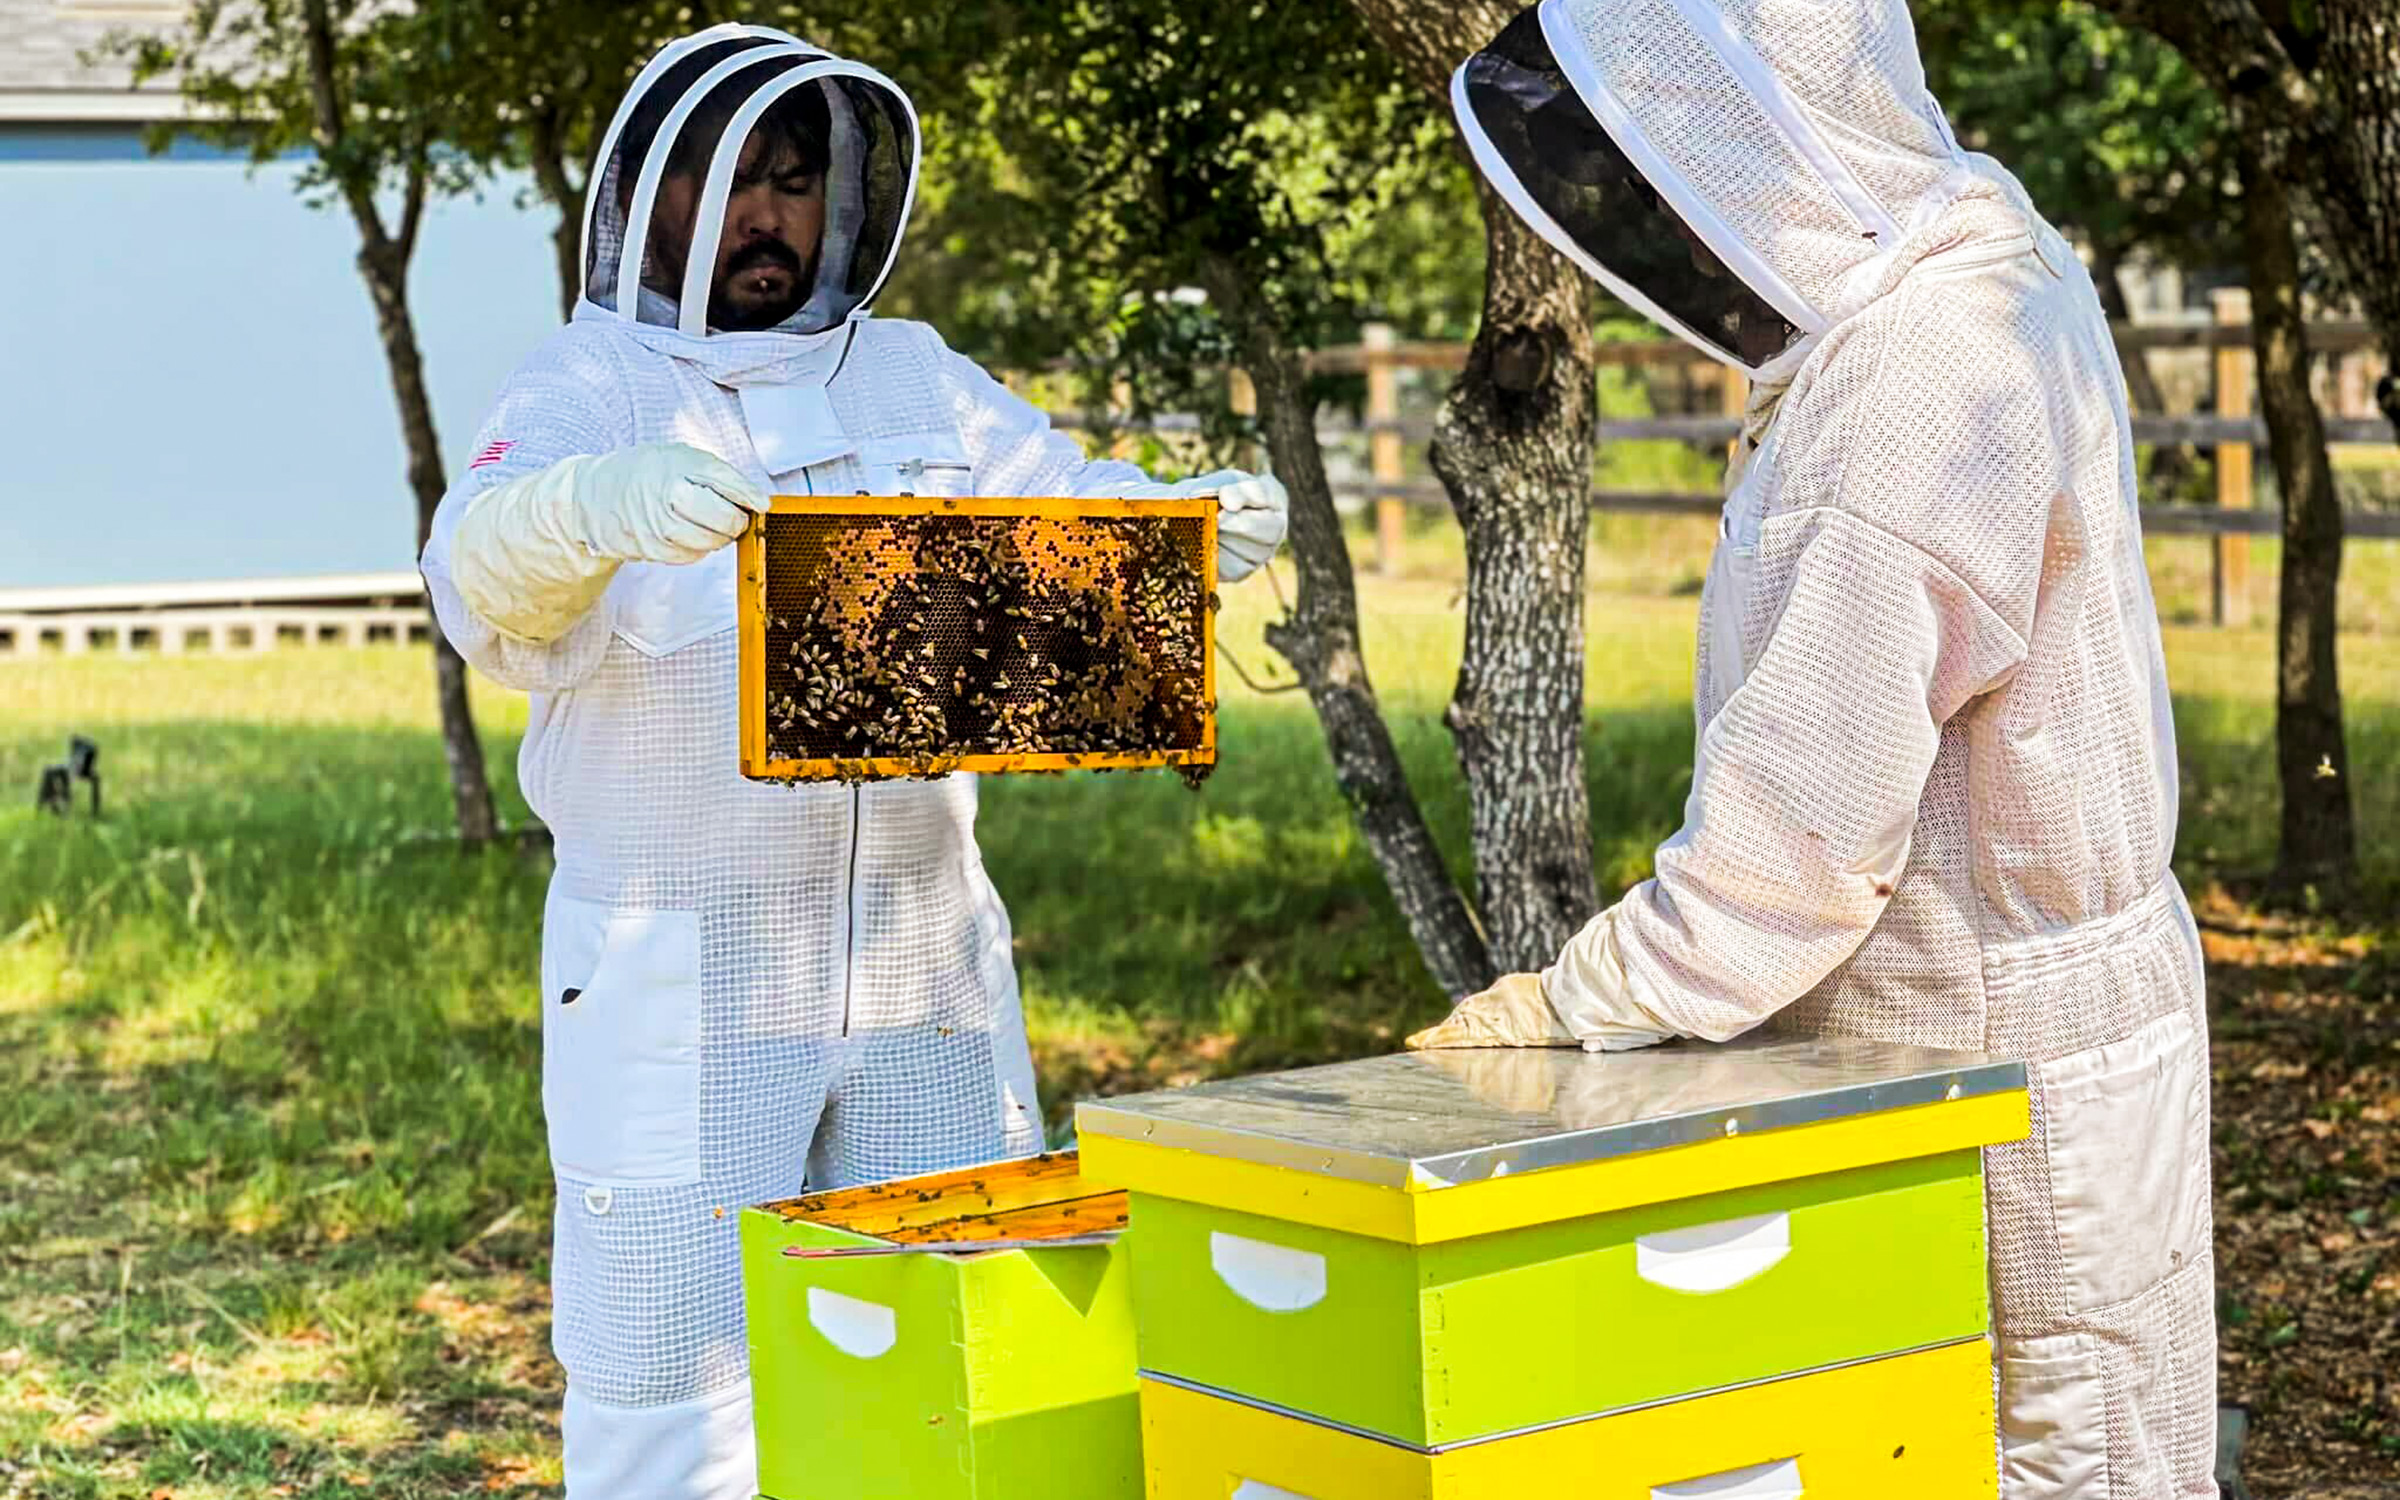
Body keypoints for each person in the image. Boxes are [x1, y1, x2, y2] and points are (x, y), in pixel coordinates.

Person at [416, 25, 1287, 1499]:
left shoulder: (913, 380)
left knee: (960, 1343)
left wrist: (1176, 531)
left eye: (796, 178)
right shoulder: (593, 387)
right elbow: (477, 573)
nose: (767, 212)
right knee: (668, 1379)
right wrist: (591, 510)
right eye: (726, 176)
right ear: (651, 195)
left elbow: (1059, 500)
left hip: (923, 962)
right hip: (678, 968)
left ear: (845, 203)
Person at [1418, 3, 2215, 1497]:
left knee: (2042, 1460)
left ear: (1757, 130)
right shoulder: (1979, 259)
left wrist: (1568, 1001)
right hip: (2019, 1013)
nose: (1672, 224)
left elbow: (1796, 849)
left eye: (1672, 167)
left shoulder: (1915, 372)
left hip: (1987, 1040)